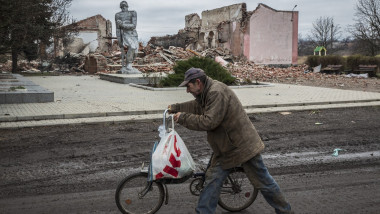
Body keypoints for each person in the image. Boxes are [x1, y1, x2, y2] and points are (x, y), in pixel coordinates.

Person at [168, 68, 293, 214]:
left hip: (242, 147)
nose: (187, 91)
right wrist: (176, 107)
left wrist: (183, 117)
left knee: (264, 182)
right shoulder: (206, 92)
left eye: (188, 87)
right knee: (212, 181)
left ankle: (285, 211)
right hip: (226, 147)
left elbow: (209, 121)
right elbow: (197, 106)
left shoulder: (216, 92)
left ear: (198, 82)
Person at [115, 1, 140, 74]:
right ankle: (128, 64)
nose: (123, 7)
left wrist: (122, 25)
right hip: (125, 34)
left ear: (127, 6)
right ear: (120, 7)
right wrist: (119, 40)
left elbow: (134, 26)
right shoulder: (118, 15)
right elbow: (117, 29)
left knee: (136, 52)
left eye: (125, 6)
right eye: (122, 6)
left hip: (133, 34)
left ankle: (130, 64)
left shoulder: (133, 13)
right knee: (132, 47)